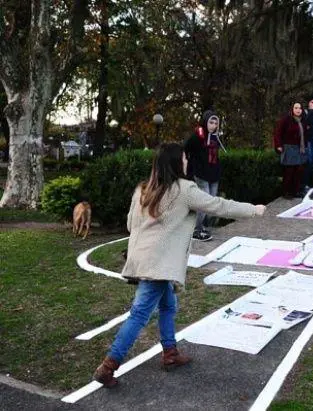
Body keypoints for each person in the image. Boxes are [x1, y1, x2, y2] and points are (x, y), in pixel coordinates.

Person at [92, 143, 266, 388]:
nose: (187, 161)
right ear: (176, 162)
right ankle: (108, 366)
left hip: (143, 260)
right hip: (158, 265)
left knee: (168, 305)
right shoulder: (185, 190)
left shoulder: (142, 189)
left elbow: (131, 225)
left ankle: (170, 353)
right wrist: (254, 210)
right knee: (140, 313)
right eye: (184, 158)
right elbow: (219, 205)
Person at [184, 110, 226, 242]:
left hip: (213, 174)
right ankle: (196, 230)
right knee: (204, 201)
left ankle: (203, 226)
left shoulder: (216, 137)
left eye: (216, 123)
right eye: (211, 122)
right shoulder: (198, 135)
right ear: (205, 122)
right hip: (201, 174)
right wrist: (189, 166)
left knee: (212, 201)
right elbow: (186, 148)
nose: (213, 125)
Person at [274, 101, 308, 199]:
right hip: (289, 148)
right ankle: (286, 192)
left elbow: (304, 135)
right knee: (289, 171)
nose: (298, 110)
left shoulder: (303, 121)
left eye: (300, 108)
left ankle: (295, 191)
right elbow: (278, 132)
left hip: (299, 149)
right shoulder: (286, 119)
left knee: (298, 171)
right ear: (292, 109)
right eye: (296, 108)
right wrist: (278, 145)